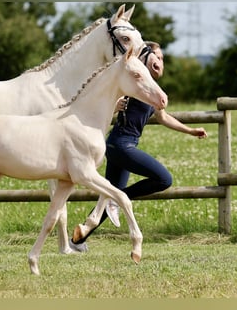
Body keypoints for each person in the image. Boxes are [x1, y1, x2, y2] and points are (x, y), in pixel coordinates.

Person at [70, 41, 208, 252]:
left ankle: (78, 240)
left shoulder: (149, 89)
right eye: (156, 57)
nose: (160, 62)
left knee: (111, 193)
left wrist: (190, 131)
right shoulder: (132, 82)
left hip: (122, 145)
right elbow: (103, 101)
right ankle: (118, 200)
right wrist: (115, 107)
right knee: (163, 179)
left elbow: (163, 117)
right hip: (120, 144)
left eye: (163, 59)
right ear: (145, 57)